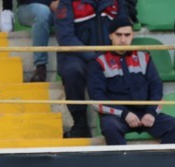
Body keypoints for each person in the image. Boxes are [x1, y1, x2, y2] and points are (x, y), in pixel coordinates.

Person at [88, 17, 175, 145]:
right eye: (118, 35)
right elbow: (97, 99)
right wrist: (125, 114)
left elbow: (156, 88)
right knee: (110, 127)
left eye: (127, 35)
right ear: (110, 35)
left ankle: (159, 164)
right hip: (117, 116)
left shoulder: (143, 57)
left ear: (132, 35)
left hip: (145, 114)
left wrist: (151, 113)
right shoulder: (98, 61)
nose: (123, 40)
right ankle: (125, 165)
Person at [54, 0, 138, 137]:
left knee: (124, 66)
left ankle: (113, 121)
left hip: (107, 54)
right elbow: (65, 36)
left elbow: (123, 27)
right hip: (76, 56)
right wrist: (92, 56)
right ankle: (80, 123)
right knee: (72, 71)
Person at [0, 1, 59, 82]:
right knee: (42, 12)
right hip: (28, 6)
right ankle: (40, 66)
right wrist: (50, 3)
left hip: (58, 6)